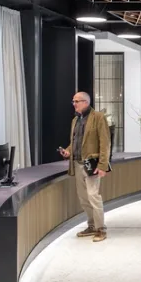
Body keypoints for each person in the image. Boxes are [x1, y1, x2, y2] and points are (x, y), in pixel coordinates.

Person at [57, 91, 111, 242]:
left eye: (77, 101)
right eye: (73, 101)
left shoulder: (98, 117)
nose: (74, 104)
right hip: (77, 164)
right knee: (83, 198)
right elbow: (75, 142)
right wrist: (67, 151)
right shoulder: (76, 120)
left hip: (92, 165)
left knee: (93, 196)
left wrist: (103, 165)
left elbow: (105, 143)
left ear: (86, 102)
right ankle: (92, 225)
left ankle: (101, 228)